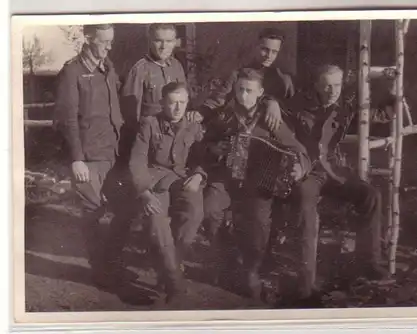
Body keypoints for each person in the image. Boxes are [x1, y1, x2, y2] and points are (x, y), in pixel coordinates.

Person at [281, 64, 394, 307]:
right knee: (305, 207)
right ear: (316, 86)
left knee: (370, 195)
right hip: (306, 170)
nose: (333, 91)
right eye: (327, 85)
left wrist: (394, 94)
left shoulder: (344, 105)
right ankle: (306, 285)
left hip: (333, 171)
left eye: (337, 85)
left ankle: (370, 263)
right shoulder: (297, 105)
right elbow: (284, 136)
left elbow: (379, 114)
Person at [201, 68, 310, 300]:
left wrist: (300, 167)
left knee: (260, 222)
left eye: (249, 91)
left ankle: (251, 269)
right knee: (210, 210)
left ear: (260, 93)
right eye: (239, 89)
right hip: (225, 179)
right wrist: (212, 149)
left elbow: (298, 149)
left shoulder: (271, 118)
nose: (243, 95)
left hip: (258, 185)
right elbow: (203, 143)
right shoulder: (223, 116)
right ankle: (228, 260)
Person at [53, 24, 136, 288]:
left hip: (113, 153)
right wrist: (76, 157)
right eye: (104, 42)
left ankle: (110, 261)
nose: (109, 47)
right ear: (88, 39)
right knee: (93, 213)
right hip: (88, 156)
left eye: (111, 41)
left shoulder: (107, 68)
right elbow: (67, 119)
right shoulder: (73, 72)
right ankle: (101, 271)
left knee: (125, 210)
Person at [128, 81, 206, 303]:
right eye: (172, 103)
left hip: (182, 179)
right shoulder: (149, 124)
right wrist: (144, 192)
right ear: (162, 104)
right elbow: (137, 161)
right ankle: (174, 282)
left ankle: (168, 266)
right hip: (154, 182)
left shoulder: (194, 126)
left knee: (194, 210)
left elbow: (203, 156)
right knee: (156, 220)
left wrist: (199, 175)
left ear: (188, 102)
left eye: (182, 102)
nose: (177, 108)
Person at [188, 27, 294, 130]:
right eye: (264, 49)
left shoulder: (283, 79)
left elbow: (291, 106)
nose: (269, 56)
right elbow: (219, 99)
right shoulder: (239, 74)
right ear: (255, 46)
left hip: (274, 130)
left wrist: (275, 103)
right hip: (245, 128)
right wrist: (202, 112)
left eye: (274, 52)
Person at [120, 23, 187, 159]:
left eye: (168, 41)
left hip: (174, 137)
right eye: (158, 41)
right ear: (150, 41)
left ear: (175, 42)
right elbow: (131, 115)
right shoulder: (140, 69)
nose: (163, 46)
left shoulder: (177, 66)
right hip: (151, 139)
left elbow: (183, 99)